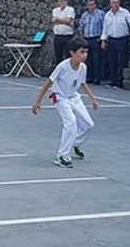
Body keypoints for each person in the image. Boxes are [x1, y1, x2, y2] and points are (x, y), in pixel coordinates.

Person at [30, 38, 99, 168]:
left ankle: (75, 143)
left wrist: (92, 98)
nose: (84, 55)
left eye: (86, 52)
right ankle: (62, 155)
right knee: (71, 124)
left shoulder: (83, 67)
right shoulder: (62, 67)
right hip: (60, 97)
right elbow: (48, 83)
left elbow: (83, 83)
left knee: (89, 125)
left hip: (74, 97)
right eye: (81, 52)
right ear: (72, 52)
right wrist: (38, 102)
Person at [100, 0, 130, 88]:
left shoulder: (124, 12)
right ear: (110, 4)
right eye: (114, 3)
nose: (116, 4)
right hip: (112, 40)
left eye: (117, 2)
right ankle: (113, 81)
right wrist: (103, 40)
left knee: (121, 61)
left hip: (122, 39)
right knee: (112, 61)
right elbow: (105, 29)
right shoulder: (107, 15)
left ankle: (119, 82)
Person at [78, 0, 104, 84]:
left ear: (95, 5)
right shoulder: (84, 15)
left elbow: (105, 26)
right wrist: (82, 38)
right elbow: (81, 27)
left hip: (96, 38)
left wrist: (102, 38)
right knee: (87, 59)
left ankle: (97, 78)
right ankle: (89, 77)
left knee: (96, 59)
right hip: (86, 39)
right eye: (89, 5)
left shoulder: (100, 14)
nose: (91, 6)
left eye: (92, 4)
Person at [50, 0, 76, 65]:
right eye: (61, 1)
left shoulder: (70, 10)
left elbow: (68, 20)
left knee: (68, 56)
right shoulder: (55, 10)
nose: (63, 2)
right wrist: (65, 21)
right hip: (58, 36)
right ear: (58, 2)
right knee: (58, 56)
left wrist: (57, 19)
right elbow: (53, 20)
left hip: (67, 36)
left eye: (64, 0)